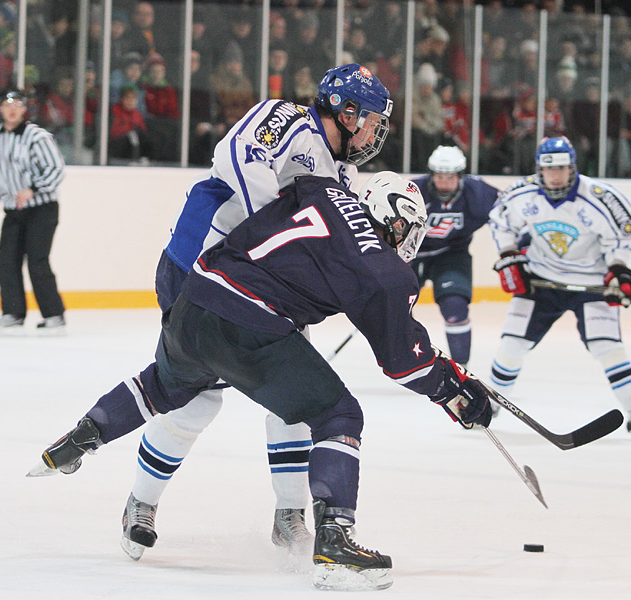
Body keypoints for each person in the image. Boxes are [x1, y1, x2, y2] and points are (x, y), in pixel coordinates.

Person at [29, 173, 492, 591]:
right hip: (252, 322)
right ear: (397, 222)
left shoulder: (320, 188)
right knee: (338, 413)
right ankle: (334, 539)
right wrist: (454, 387)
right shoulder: (385, 269)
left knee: (166, 387)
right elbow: (403, 362)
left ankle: (84, 434)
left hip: (196, 294)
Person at [31, 64, 394, 561]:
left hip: (267, 289)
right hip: (200, 265)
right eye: (372, 119)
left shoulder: (341, 174)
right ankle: (141, 501)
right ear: (345, 111)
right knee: (195, 397)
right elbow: (240, 157)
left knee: (299, 398)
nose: (376, 131)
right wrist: (273, 237)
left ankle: (290, 514)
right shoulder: (284, 117)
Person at [488, 137, 631, 440]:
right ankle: (491, 404)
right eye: (549, 170)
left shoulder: (601, 198)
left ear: (572, 167)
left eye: (562, 169)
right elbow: (500, 222)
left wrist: (618, 268)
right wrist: (510, 256)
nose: (555, 176)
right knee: (512, 344)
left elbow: (625, 235)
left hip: (591, 283)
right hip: (540, 280)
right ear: (539, 169)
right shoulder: (521, 193)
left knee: (608, 349)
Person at [0, 88, 66, 335]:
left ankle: (54, 315)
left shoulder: (37, 136)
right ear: (0, 109)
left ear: (24, 109)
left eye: (17, 104)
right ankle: (13, 312)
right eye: (7, 105)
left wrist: (33, 188)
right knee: (6, 259)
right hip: (13, 209)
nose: (12, 109)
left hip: (42, 208)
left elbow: (55, 169)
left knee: (37, 260)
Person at [411, 145, 499, 367]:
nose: (444, 182)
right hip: (411, 256)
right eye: (439, 176)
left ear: (461, 176)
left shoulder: (478, 194)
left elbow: (509, 213)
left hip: (452, 254)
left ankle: (461, 367)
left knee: (455, 306)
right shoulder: (413, 191)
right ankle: (403, 360)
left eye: (450, 177)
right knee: (394, 306)